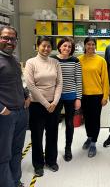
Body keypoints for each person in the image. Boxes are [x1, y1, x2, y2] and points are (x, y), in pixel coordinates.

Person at [24, 36, 62, 177]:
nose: (46, 49)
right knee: (37, 136)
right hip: (37, 106)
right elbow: (31, 86)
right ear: (37, 46)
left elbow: (59, 83)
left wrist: (55, 102)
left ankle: (51, 161)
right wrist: (46, 104)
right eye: (43, 46)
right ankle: (38, 164)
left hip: (54, 105)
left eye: (48, 46)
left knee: (52, 134)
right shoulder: (31, 63)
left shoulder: (55, 62)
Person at [0, 25, 29, 187]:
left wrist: (27, 95)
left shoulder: (14, 59)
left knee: (17, 150)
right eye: (5, 38)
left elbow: (18, 82)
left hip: (21, 112)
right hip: (5, 115)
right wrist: (2, 109)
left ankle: (16, 181)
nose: (9, 41)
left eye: (13, 39)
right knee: (4, 154)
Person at [51, 37, 82, 162]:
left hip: (71, 96)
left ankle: (68, 148)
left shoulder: (75, 61)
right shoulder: (53, 60)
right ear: (59, 47)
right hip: (55, 97)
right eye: (64, 46)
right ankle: (52, 150)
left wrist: (78, 98)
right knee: (53, 124)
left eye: (69, 47)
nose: (67, 48)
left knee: (69, 124)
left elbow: (78, 80)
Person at [78, 37, 109, 157]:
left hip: (97, 95)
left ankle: (94, 143)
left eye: (92, 44)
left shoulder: (101, 61)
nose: (90, 46)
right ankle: (89, 137)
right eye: (88, 44)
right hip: (83, 95)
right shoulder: (79, 60)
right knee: (87, 119)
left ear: (95, 46)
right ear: (85, 46)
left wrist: (105, 96)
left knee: (95, 120)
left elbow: (105, 79)